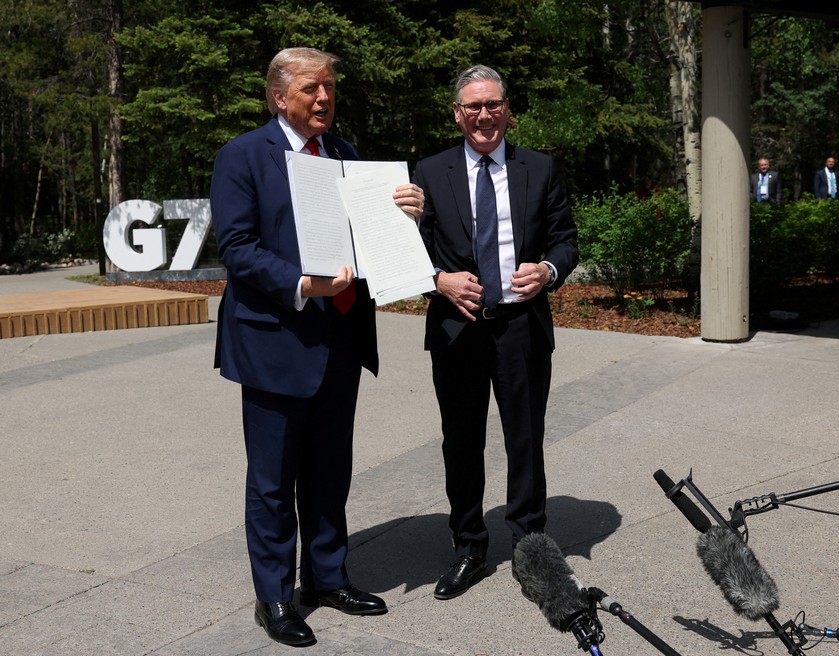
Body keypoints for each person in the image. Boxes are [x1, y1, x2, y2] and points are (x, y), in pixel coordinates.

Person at [209, 47, 424, 646]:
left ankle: (327, 577)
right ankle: (275, 597)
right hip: (275, 340)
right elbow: (237, 247)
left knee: (330, 471)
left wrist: (407, 212)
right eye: (311, 88)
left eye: (329, 86)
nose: (324, 97)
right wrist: (302, 284)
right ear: (280, 97)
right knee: (273, 481)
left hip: (341, 338)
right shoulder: (243, 155)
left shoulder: (346, 154)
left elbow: (370, 237)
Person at [413, 64, 579, 600]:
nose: (484, 115)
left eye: (493, 105)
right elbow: (408, 250)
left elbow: (566, 241)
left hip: (520, 327)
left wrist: (548, 271)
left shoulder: (540, 168)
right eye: (473, 107)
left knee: (524, 439)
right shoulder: (430, 171)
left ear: (507, 109)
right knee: (461, 441)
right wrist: (439, 281)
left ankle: (531, 549)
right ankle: (469, 548)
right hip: (457, 329)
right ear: (457, 114)